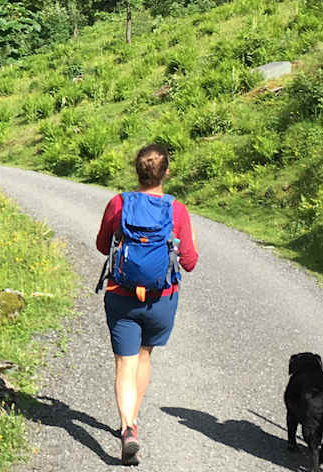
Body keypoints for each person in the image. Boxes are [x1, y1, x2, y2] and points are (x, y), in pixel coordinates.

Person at [95, 143, 199, 465]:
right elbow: (190, 262)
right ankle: (132, 423)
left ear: (136, 171)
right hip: (161, 300)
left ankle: (128, 428)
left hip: (122, 295)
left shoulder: (118, 203)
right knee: (144, 356)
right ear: (166, 172)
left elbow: (102, 246)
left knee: (124, 363)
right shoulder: (177, 210)